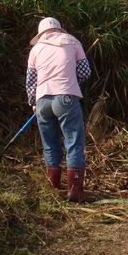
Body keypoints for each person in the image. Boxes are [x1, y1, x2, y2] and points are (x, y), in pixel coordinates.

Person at [26, 17, 92, 202]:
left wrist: (33, 103)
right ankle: (75, 191)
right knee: (73, 143)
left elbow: (30, 81)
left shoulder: (36, 49)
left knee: (50, 144)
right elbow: (85, 72)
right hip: (66, 98)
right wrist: (70, 80)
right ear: (60, 29)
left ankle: (53, 188)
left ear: (41, 33)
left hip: (42, 101)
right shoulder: (72, 42)